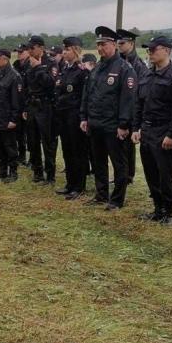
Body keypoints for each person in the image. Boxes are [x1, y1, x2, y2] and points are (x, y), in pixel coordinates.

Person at [80, 26, 138, 211]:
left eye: (103, 44)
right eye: (98, 45)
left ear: (113, 45)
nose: (100, 49)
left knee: (119, 164)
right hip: (96, 123)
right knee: (98, 162)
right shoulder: (97, 68)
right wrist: (84, 116)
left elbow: (128, 100)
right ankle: (101, 193)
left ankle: (117, 199)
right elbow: (87, 94)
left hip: (113, 126)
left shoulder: (124, 68)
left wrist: (123, 124)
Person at [132, 36, 172, 225]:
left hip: (165, 132)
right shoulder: (147, 76)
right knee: (151, 172)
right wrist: (136, 128)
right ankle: (157, 208)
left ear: (166, 50)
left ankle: (169, 212)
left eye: (153, 50)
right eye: (148, 50)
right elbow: (139, 105)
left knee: (166, 174)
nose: (150, 53)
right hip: (147, 130)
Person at [54, 37, 89, 199]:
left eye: (67, 49)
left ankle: (79, 186)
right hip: (63, 115)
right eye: (64, 49)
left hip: (75, 116)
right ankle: (70, 183)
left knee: (78, 152)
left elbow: (84, 97)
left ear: (75, 50)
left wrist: (83, 117)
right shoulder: (64, 69)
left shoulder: (82, 71)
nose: (64, 52)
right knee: (67, 150)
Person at [24, 35, 58, 184]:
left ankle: (50, 175)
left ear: (41, 48)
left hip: (45, 106)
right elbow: (26, 87)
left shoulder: (51, 64)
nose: (30, 51)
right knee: (32, 141)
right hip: (32, 105)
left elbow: (51, 84)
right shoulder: (27, 64)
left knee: (48, 142)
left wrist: (38, 68)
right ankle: (37, 172)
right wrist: (25, 106)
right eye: (28, 48)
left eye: (32, 48)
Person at [0, 48, 23, 183]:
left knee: (10, 146)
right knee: (0, 146)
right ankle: (2, 171)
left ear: (5, 59)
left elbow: (16, 101)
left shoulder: (14, 76)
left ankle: (13, 172)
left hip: (7, 118)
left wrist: (14, 119)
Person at [116, 29, 147, 185]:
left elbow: (139, 92)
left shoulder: (138, 65)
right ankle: (122, 174)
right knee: (119, 147)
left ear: (132, 44)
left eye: (122, 43)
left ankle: (128, 176)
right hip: (119, 109)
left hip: (132, 109)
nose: (119, 46)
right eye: (118, 43)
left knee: (128, 146)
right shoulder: (119, 62)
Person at [13, 44, 30, 166]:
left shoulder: (31, 65)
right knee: (18, 132)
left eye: (21, 52)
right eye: (18, 52)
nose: (19, 54)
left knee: (29, 133)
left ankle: (32, 158)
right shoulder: (16, 65)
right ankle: (21, 155)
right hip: (17, 102)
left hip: (28, 103)